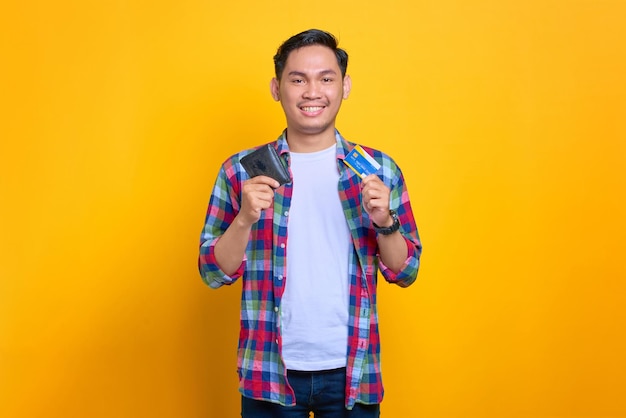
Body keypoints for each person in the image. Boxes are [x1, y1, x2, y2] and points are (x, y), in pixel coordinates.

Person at [198, 29, 422, 418]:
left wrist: (385, 221)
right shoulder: (241, 171)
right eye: (298, 79)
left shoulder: (379, 170)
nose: (312, 91)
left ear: (345, 86)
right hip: (269, 370)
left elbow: (406, 270)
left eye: (326, 78)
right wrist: (245, 219)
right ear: (276, 87)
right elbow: (213, 272)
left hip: (353, 371)